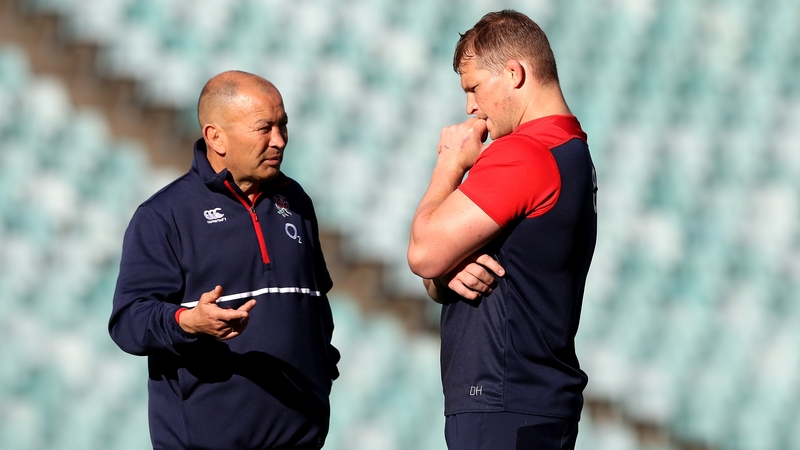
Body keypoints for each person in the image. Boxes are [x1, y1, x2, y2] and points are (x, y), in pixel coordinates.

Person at [109, 70, 340, 450]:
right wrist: (189, 321)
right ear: (216, 137)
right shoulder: (164, 215)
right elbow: (128, 322)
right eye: (264, 128)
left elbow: (316, 301)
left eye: (283, 125)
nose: (279, 140)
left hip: (301, 439)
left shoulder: (296, 200)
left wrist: (322, 365)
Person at [407, 10, 597, 450]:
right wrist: (446, 272)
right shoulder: (571, 151)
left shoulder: (525, 153)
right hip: (533, 397)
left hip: (502, 397)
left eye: (473, 88)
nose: (470, 107)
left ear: (514, 73)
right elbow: (438, 272)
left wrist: (448, 163)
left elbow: (423, 253)